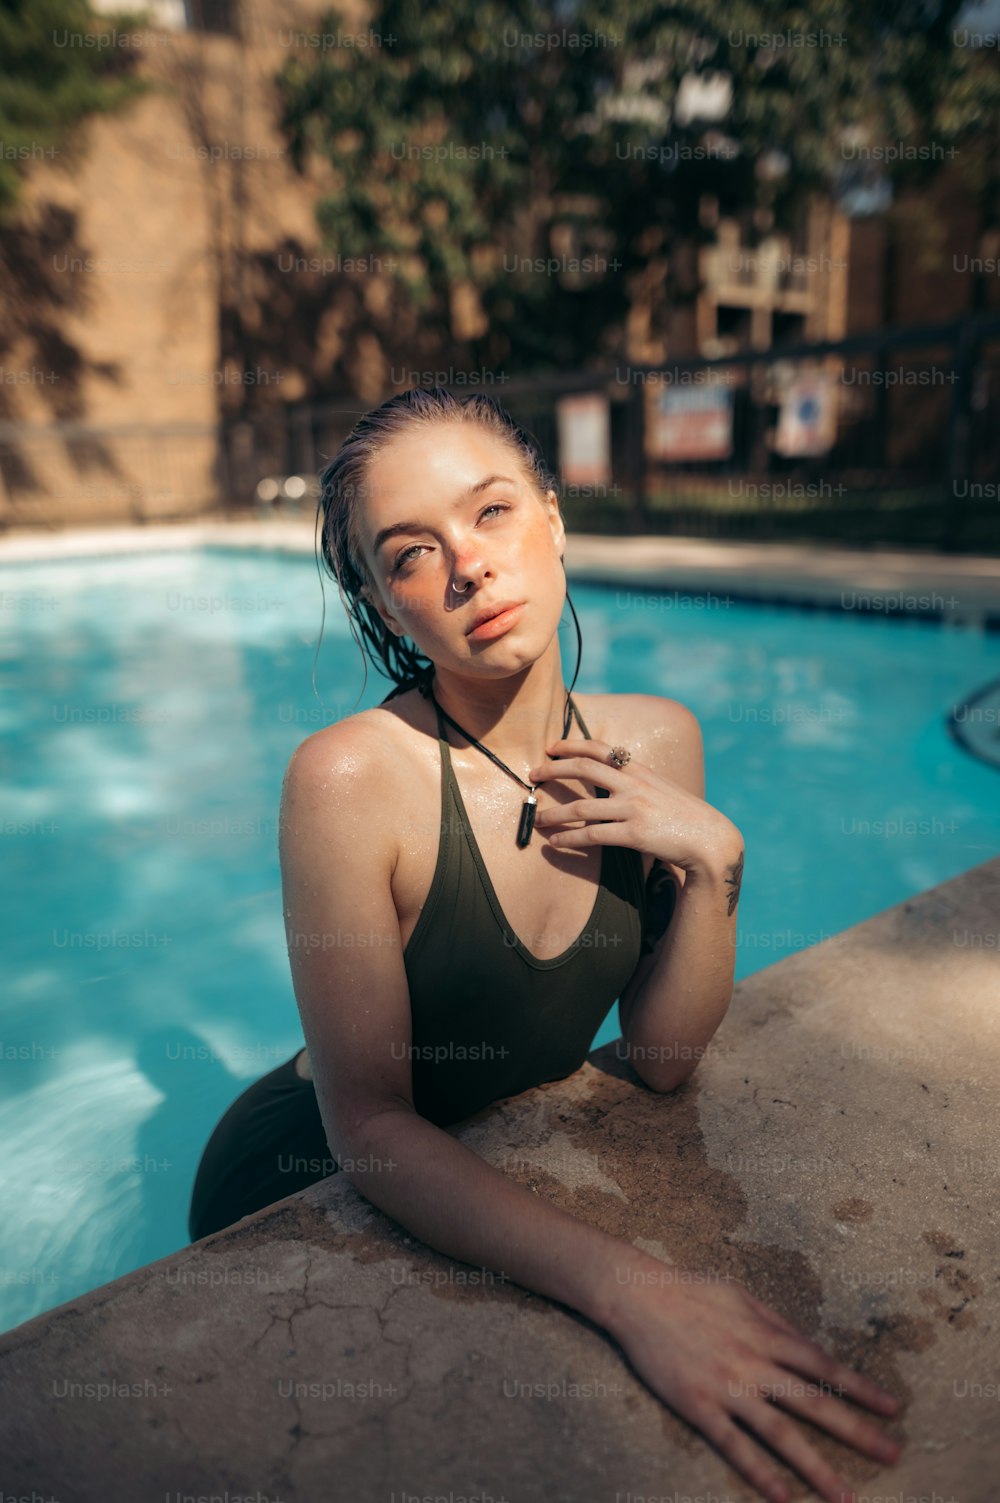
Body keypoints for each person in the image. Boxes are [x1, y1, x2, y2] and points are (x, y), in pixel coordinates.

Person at [188, 387, 901, 1503]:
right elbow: (369, 1125)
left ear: (554, 519)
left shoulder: (658, 738)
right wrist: (635, 1292)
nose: (465, 567)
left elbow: (661, 1060)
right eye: (411, 554)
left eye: (491, 514)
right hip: (301, 1173)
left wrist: (714, 868)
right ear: (381, 600)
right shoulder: (350, 779)